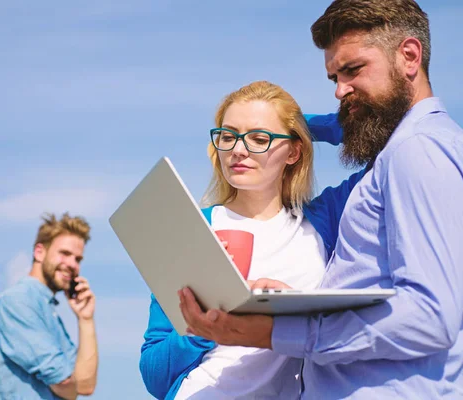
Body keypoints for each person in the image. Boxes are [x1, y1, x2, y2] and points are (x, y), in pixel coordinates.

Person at [179, 1, 463, 399]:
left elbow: (429, 316)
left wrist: (276, 332)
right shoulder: (416, 151)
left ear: (409, 56)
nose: (339, 90)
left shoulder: (417, 152)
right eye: (334, 75)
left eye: (353, 70)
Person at [139, 80, 361, 399]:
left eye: (259, 138)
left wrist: (314, 126)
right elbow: (154, 376)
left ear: (294, 151)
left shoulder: (325, 219)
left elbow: (397, 148)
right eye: (228, 136)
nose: (238, 150)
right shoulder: (193, 229)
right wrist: (207, 327)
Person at [0, 213, 99, 400]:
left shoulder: (48, 312)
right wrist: (71, 384)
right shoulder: (17, 302)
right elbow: (65, 383)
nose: (72, 264)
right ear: (39, 252)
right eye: (65, 253)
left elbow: (86, 385)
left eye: (78, 259)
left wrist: (86, 319)